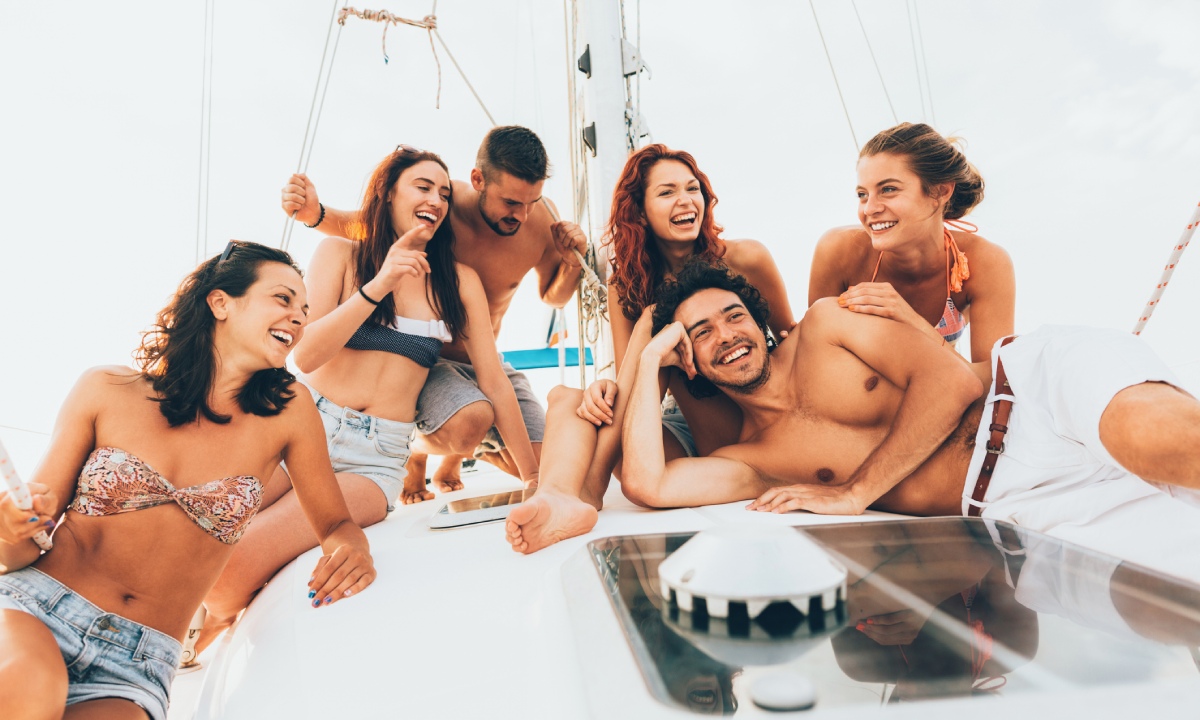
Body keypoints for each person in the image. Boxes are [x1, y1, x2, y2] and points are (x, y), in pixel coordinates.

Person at [621, 261, 1200, 581]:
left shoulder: (826, 325)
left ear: (760, 322)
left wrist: (855, 493)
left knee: (1158, 440)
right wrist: (649, 359)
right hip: (1019, 505)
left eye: (735, 316)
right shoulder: (750, 463)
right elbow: (650, 484)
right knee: (1161, 603)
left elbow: (952, 383)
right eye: (700, 333)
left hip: (1032, 393)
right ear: (687, 362)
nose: (727, 336)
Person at [0, 241, 375, 720]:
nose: (299, 318)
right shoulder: (105, 389)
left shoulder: (290, 412)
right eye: (283, 299)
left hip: (137, 664)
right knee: (28, 696)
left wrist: (354, 549)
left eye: (305, 309)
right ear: (221, 302)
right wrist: (7, 528)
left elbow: (336, 525)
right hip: (35, 610)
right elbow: (22, 545)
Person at [198, 147, 538, 654]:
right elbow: (306, 354)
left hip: (373, 459)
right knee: (206, 533)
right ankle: (191, 634)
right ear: (388, 192)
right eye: (423, 186)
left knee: (232, 570)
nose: (437, 199)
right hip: (302, 430)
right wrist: (381, 284)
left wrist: (533, 476)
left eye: (444, 192)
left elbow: (493, 381)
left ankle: (206, 631)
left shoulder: (457, 280)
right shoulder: (340, 256)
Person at [506, 144, 795, 553]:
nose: (685, 200)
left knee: (655, 319)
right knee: (568, 399)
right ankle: (558, 499)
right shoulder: (626, 284)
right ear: (639, 211)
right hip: (677, 421)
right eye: (667, 192)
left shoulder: (746, 259)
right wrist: (602, 392)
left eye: (692, 189)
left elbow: (789, 342)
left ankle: (589, 489)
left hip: (738, 422)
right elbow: (634, 383)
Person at [283, 127, 588, 492]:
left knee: (546, 464)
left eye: (531, 202)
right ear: (478, 180)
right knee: (472, 418)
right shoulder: (443, 203)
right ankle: (415, 446)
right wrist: (315, 214)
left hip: (481, 354)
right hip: (423, 361)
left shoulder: (536, 229)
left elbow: (551, 301)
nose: (521, 215)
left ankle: (443, 456)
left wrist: (573, 263)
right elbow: (375, 224)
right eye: (510, 203)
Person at [809, 122, 1014, 362]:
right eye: (862, 194)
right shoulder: (838, 251)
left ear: (940, 192)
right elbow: (818, 359)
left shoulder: (984, 263)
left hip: (940, 392)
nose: (870, 209)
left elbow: (990, 382)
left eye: (888, 189)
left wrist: (911, 321)